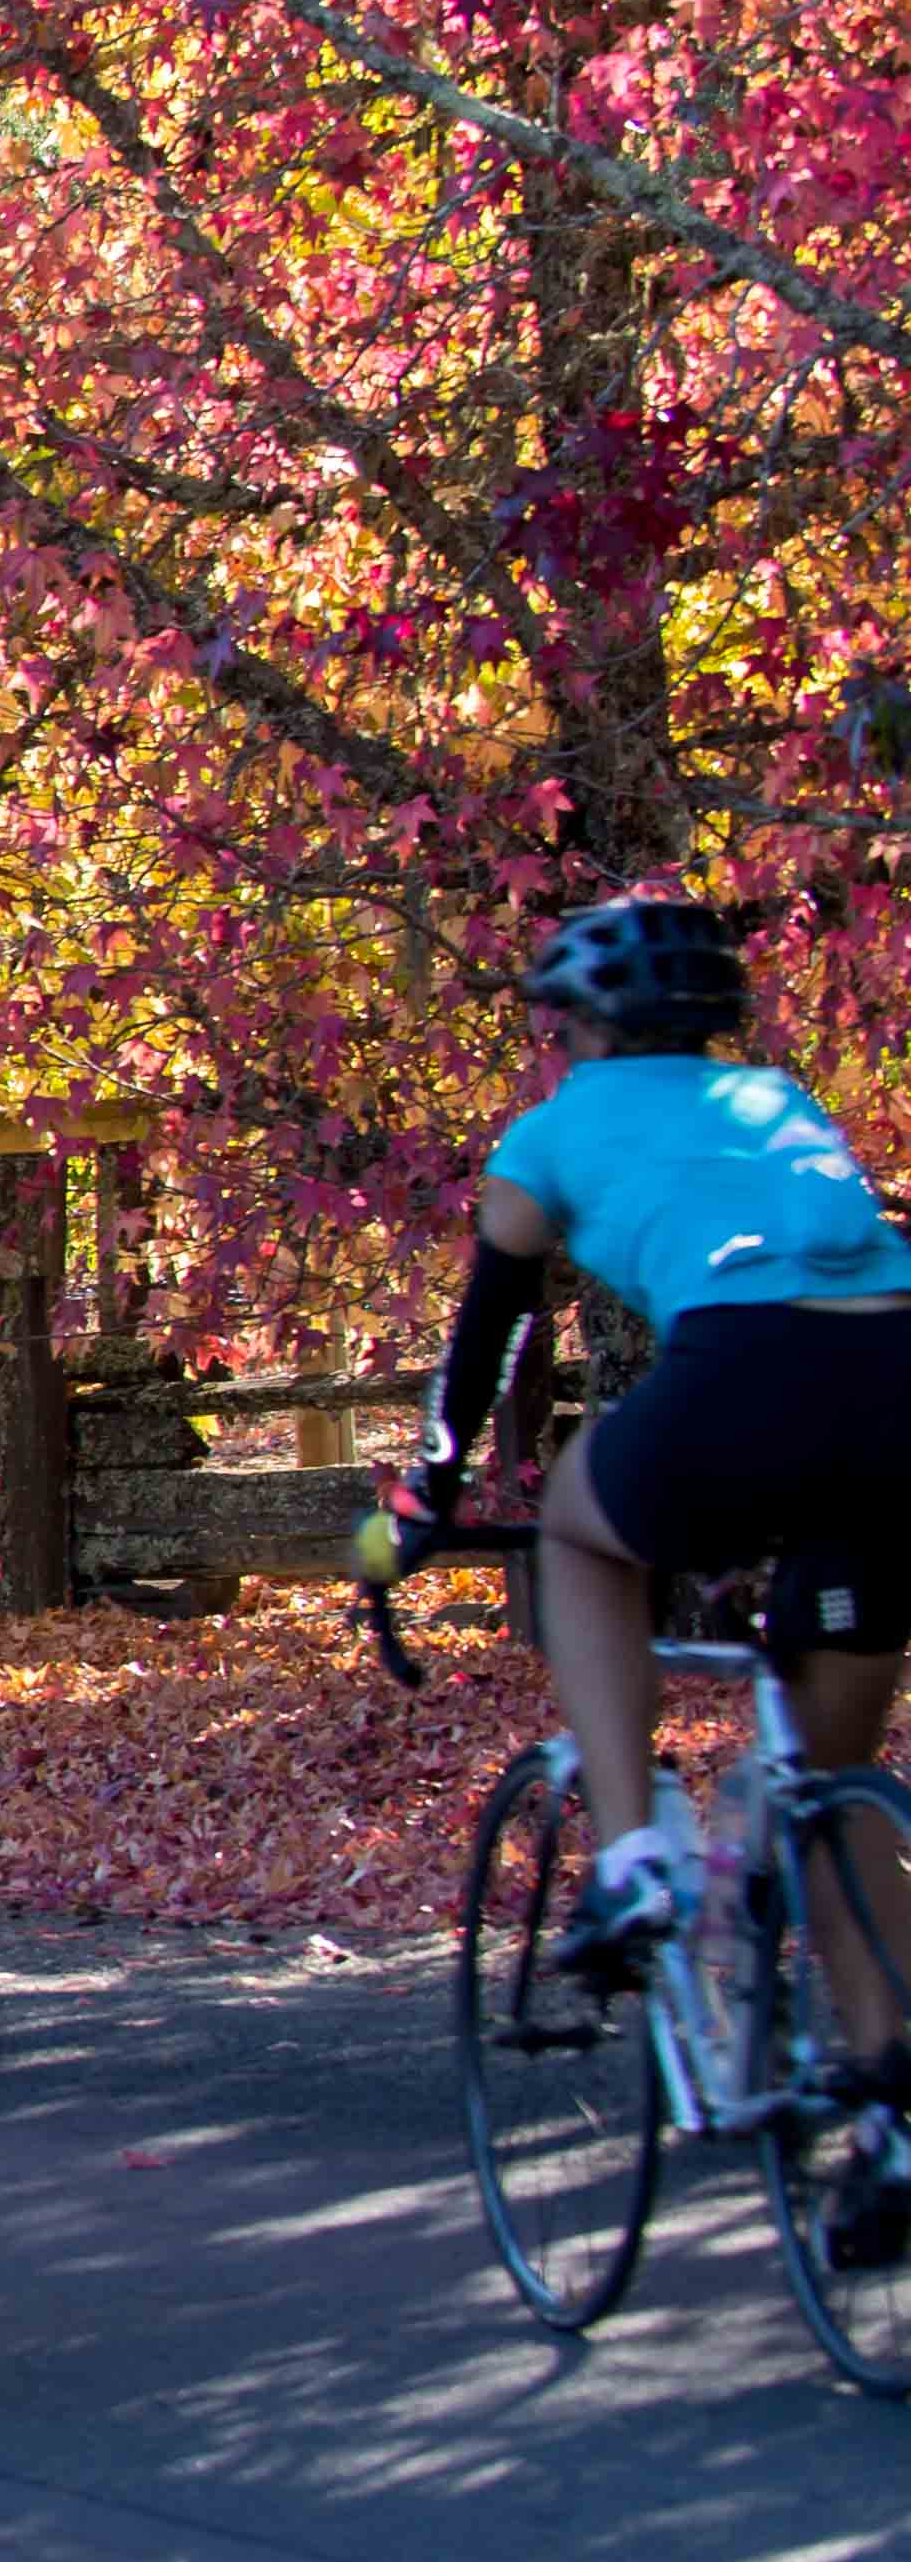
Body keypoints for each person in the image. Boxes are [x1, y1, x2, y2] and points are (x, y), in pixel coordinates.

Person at [413, 894, 911, 2254]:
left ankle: (633, 1854)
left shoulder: (553, 1131)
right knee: (834, 1780)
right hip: (899, 1383)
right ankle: (888, 2112)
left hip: (747, 1376)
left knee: (580, 1531)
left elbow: (484, 1349)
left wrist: (424, 1505)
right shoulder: (779, 1097)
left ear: (566, 1025)